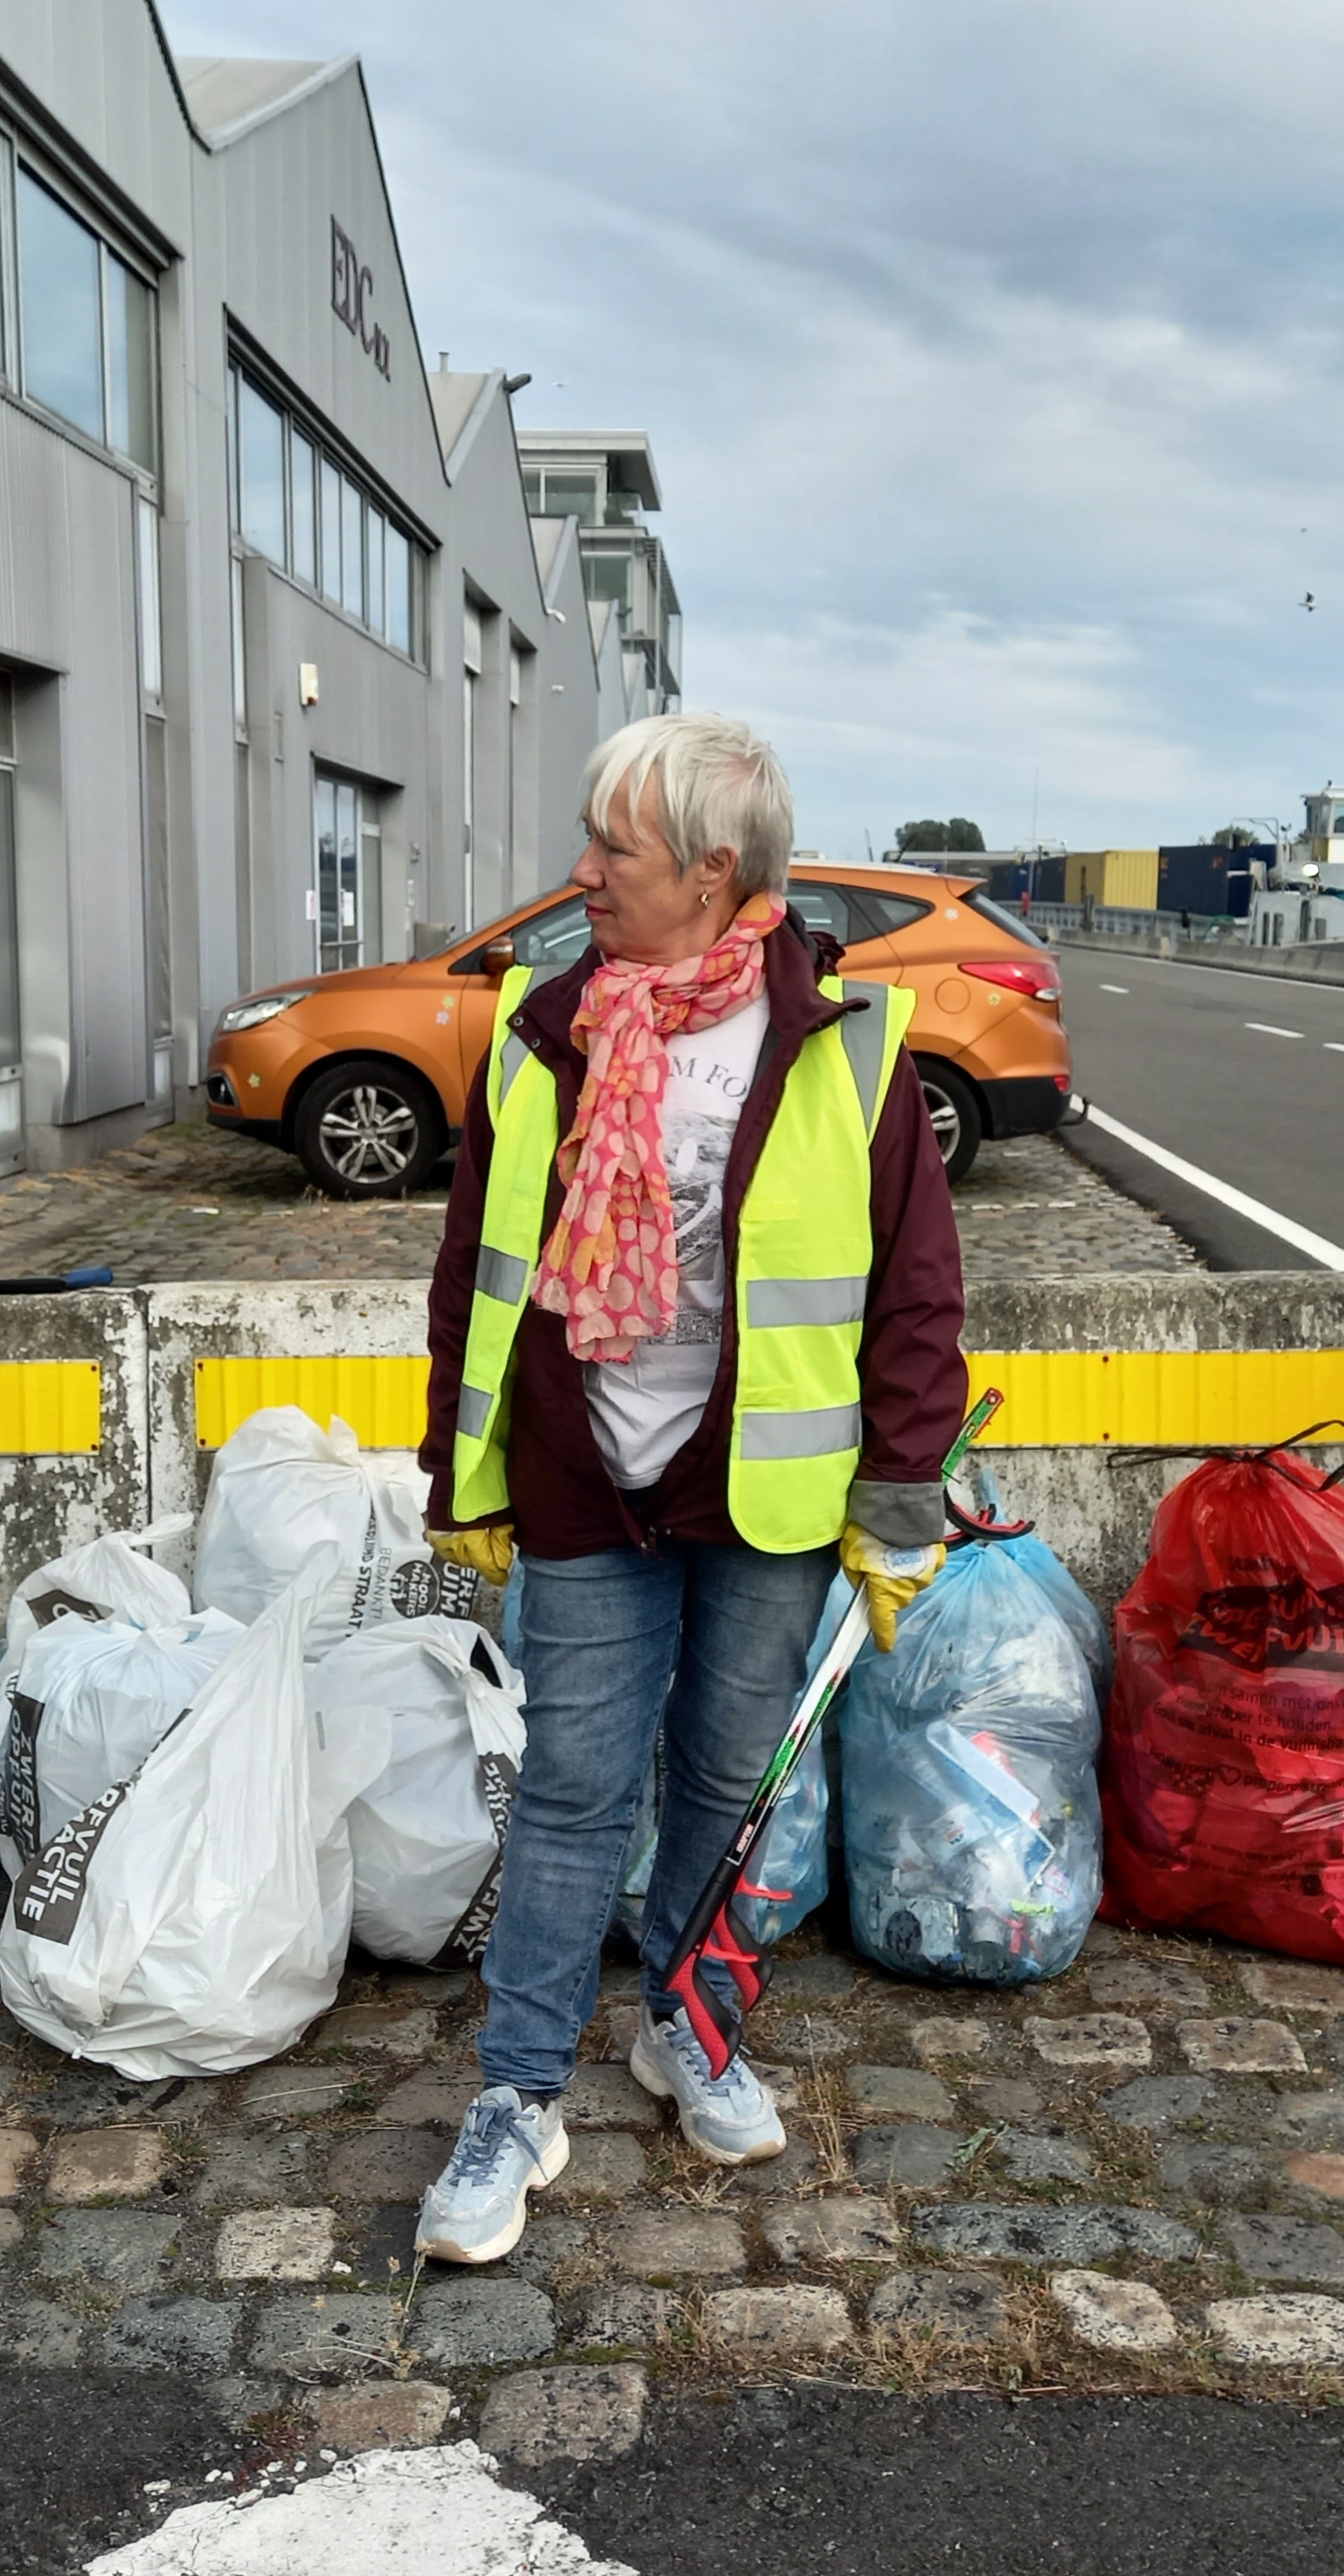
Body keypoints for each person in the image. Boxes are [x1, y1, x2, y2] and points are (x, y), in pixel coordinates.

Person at [412, 712, 969, 2262]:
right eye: (589, 840)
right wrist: (458, 1468)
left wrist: (904, 1493)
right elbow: (476, 1269)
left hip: (765, 1492)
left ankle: (687, 2021)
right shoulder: (542, 1030)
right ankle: (518, 2092)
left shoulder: (848, 1047)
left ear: (715, 873)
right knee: (577, 1791)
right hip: (589, 1466)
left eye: (615, 850)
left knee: (727, 1784)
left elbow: (916, 1295)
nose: (580, 873)